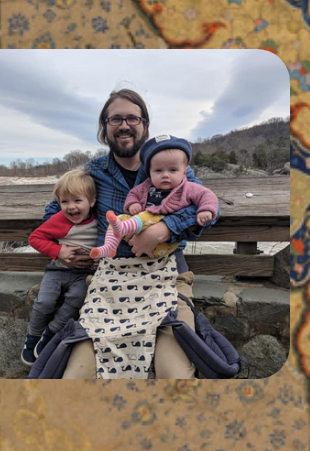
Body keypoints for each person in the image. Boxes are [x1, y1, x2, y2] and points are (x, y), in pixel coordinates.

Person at [39, 89, 213, 378]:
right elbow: (54, 211)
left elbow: (204, 206)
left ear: (145, 125)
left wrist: (162, 230)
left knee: (176, 374)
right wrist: (63, 249)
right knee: (76, 377)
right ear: (104, 126)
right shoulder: (94, 172)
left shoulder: (172, 167)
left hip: (167, 277)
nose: (124, 125)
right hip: (110, 283)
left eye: (132, 118)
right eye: (115, 119)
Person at [92, 137, 219, 260]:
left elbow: (207, 195)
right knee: (118, 219)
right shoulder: (146, 185)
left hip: (164, 245)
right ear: (149, 172)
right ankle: (109, 247)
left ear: (184, 172)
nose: (165, 175)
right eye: (158, 171)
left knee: (147, 215)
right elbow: (133, 194)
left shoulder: (188, 187)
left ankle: (124, 228)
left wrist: (205, 210)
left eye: (172, 170)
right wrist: (133, 204)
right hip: (134, 236)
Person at [21, 168, 100, 363]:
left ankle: (51, 332)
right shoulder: (60, 220)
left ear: (92, 201)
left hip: (84, 274)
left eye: (77, 200)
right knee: (44, 302)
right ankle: (33, 336)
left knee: (77, 299)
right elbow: (35, 238)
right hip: (57, 270)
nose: (71, 207)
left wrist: (102, 257)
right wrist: (58, 251)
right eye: (64, 202)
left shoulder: (101, 221)